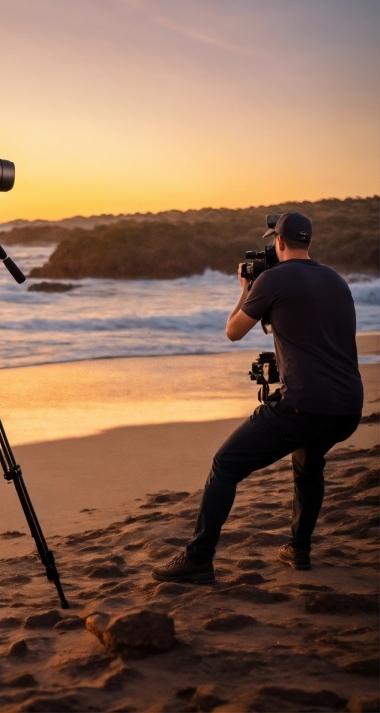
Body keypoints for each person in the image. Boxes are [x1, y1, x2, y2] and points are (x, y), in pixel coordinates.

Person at [152, 212, 363, 584]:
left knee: (225, 464)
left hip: (304, 405)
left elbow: (233, 331)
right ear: (308, 242)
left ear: (278, 242)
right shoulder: (336, 280)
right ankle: (298, 549)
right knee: (309, 466)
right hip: (347, 406)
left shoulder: (273, 279)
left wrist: (245, 290)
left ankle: (199, 558)